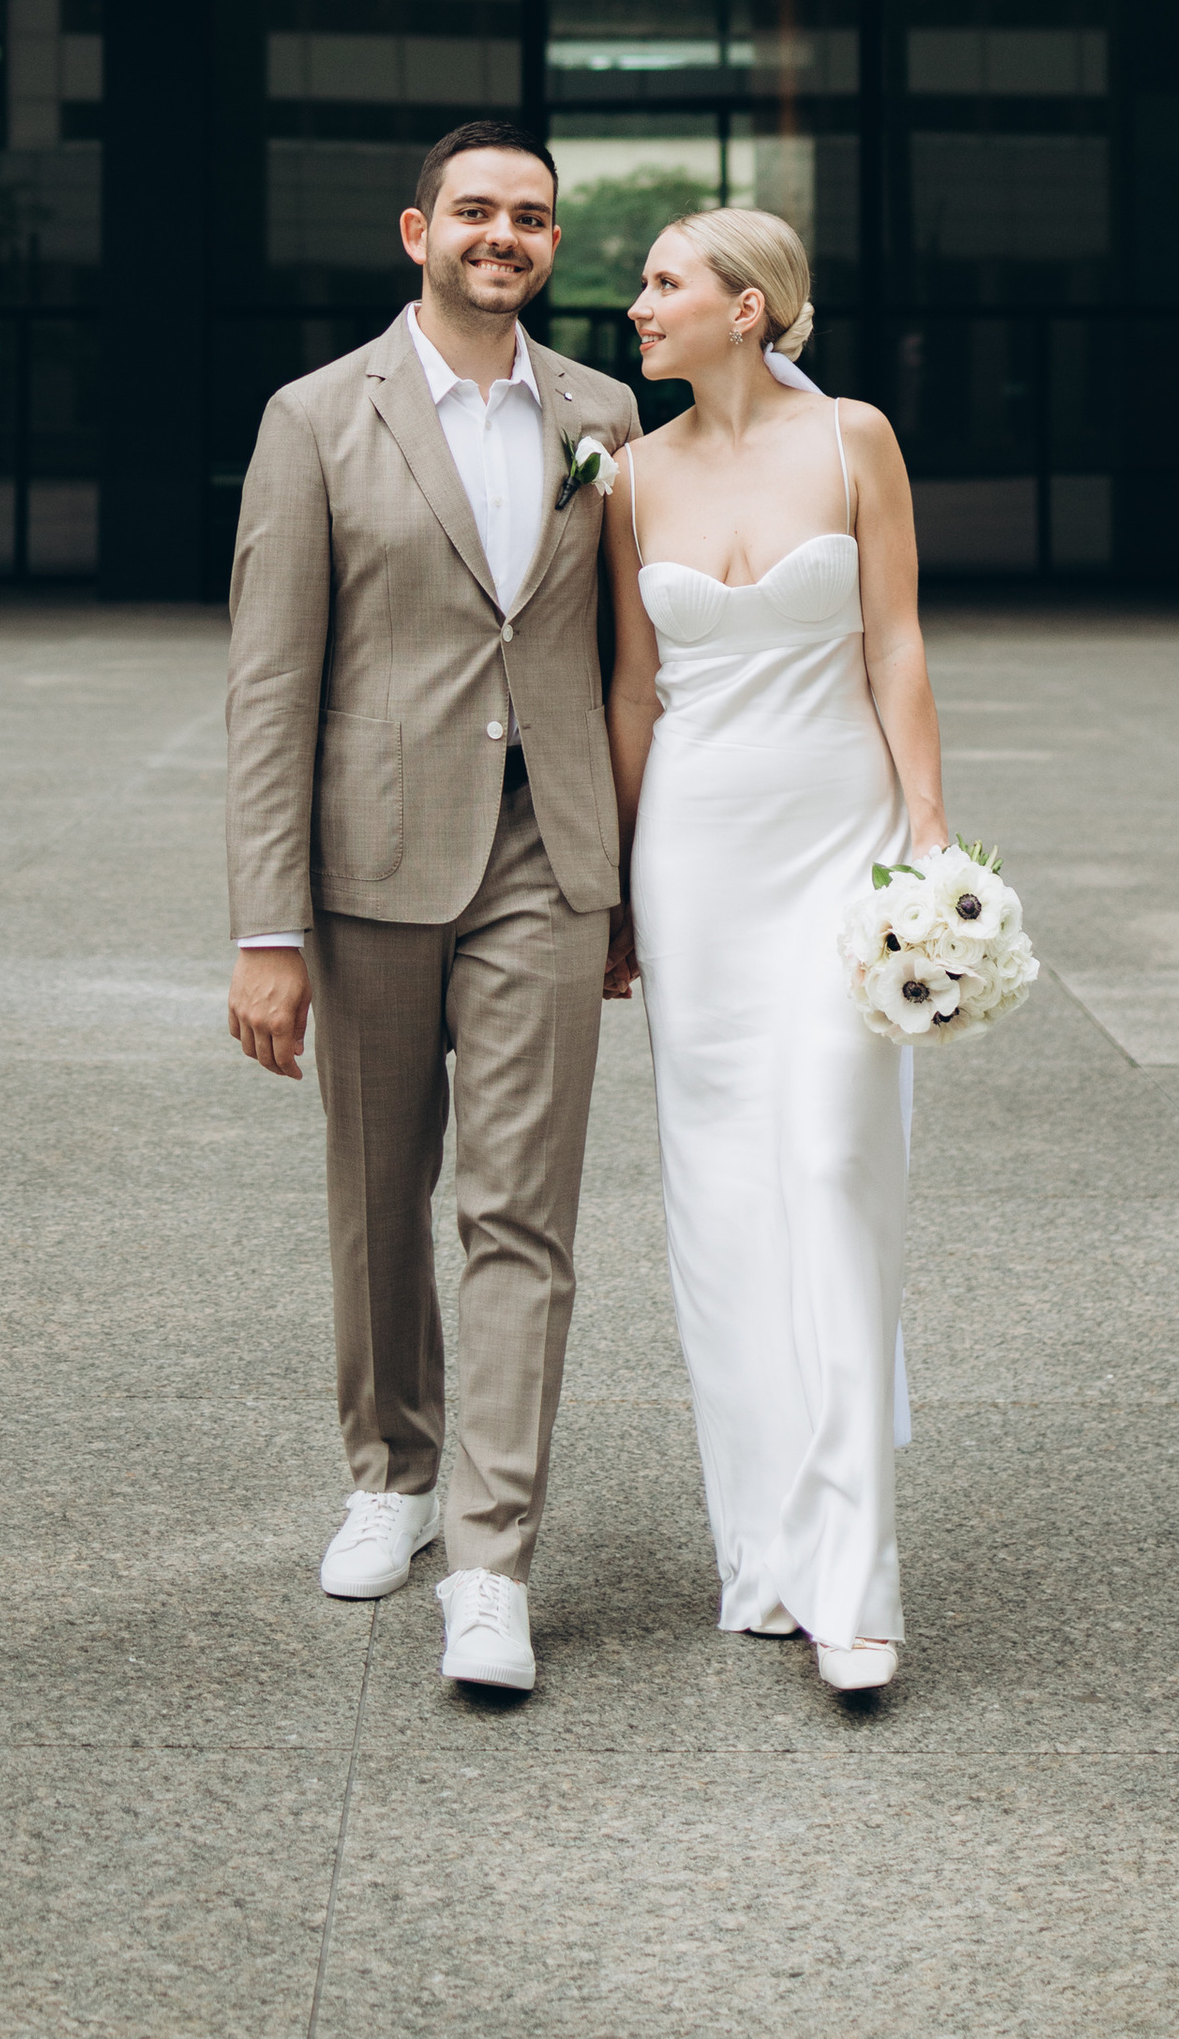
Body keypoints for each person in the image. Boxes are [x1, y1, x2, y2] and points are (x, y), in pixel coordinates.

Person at [224, 123, 641, 1698]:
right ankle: (391, 1473)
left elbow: (626, 666)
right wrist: (269, 927)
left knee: (520, 1211)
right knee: (378, 1188)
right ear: (418, 230)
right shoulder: (317, 416)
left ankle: (491, 1558)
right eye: (477, 210)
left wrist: (628, 888)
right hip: (370, 861)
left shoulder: (604, 413)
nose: (505, 235)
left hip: (549, 858)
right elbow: (271, 686)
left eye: (531, 217)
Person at [604, 207, 948, 1695]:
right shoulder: (626, 476)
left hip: (839, 844)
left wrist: (929, 847)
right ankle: (768, 1554)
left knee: (830, 1170)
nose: (637, 304)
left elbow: (895, 644)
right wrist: (617, 893)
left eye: (664, 282)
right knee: (724, 1203)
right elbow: (633, 696)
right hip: (694, 857)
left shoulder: (854, 439)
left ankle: (859, 1581)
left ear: (750, 308)